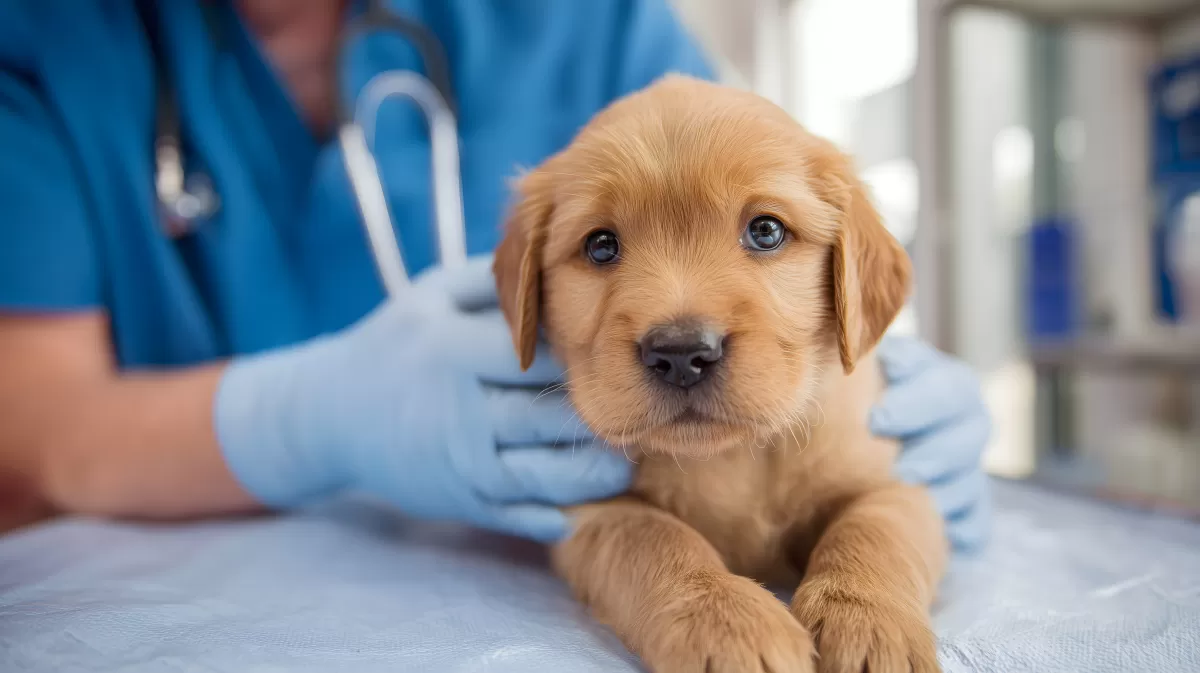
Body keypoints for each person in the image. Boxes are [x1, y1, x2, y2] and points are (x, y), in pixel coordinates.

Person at [0, 0, 991, 551]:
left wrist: (869, 392)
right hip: (164, 576)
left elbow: (753, 195)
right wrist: (309, 415)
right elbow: (30, 429)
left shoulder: (584, 20)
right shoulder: (43, 41)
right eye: (601, 247)